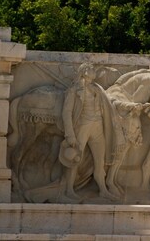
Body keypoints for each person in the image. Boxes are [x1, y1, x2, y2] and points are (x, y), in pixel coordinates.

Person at [60, 63, 118, 201]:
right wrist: (70, 135)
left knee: (100, 161)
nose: (94, 71)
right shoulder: (75, 90)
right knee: (75, 159)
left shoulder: (98, 89)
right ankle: (68, 190)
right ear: (84, 72)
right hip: (82, 127)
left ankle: (103, 190)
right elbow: (66, 113)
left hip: (97, 127)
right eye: (91, 69)